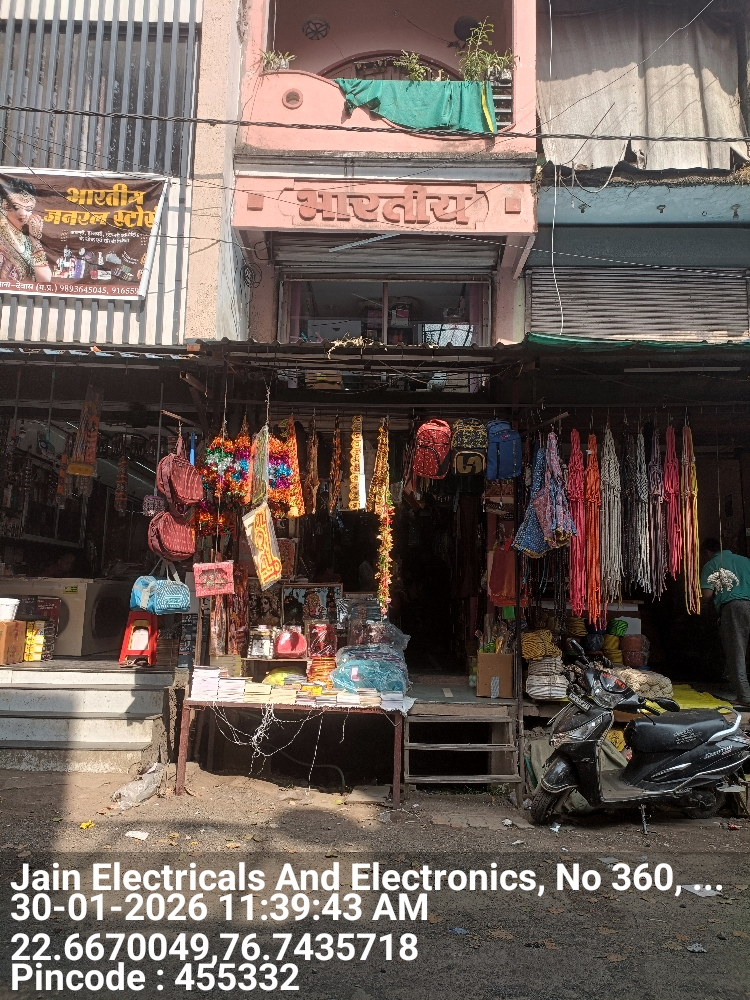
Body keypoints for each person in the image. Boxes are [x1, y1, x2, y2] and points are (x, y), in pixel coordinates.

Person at [700, 537, 750, 706]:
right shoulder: (745, 561)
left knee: (736, 650)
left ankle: (744, 696)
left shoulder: (712, 565)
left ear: (708, 552)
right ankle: (736, 687)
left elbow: (707, 595)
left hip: (734, 607)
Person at [0, 176, 52, 284]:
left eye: (28, 209)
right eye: (16, 207)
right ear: (4, 205)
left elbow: (45, 280)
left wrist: (35, 240)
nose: (23, 213)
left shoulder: (28, 242)